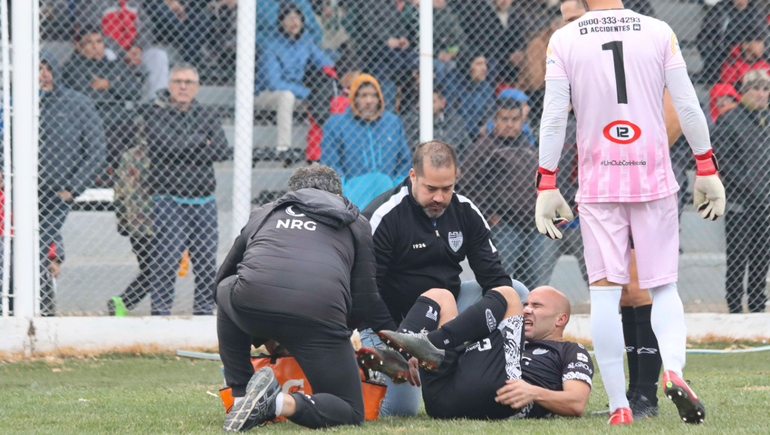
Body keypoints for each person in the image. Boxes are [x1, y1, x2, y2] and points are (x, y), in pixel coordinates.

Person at [536, 0, 725, 425]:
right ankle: (673, 369)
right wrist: (707, 165)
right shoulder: (658, 31)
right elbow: (689, 106)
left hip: (600, 184)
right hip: (653, 179)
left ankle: (621, 404)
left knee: (604, 294)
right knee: (663, 288)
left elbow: (552, 119)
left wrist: (546, 183)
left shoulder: (564, 39)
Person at [214, 165, 396, 431]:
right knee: (350, 409)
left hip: (253, 302)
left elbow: (223, 279)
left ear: (293, 193)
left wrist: (266, 332)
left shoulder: (265, 212)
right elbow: (365, 301)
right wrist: (329, 337)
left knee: (227, 288)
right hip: (321, 314)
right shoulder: (356, 221)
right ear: (337, 194)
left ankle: (241, 392)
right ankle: (277, 404)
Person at [359, 141, 528, 416]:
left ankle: (498, 375)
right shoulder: (385, 215)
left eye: (446, 188)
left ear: (456, 179)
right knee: (400, 411)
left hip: (449, 308)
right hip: (394, 322)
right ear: (413, 176)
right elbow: (368, 292)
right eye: (430, 189)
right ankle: (381, 362)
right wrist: (399, 344)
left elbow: (494, 277)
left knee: (515, 292)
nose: (439, 197)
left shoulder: (465, 211)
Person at [360, 285, 592, 420]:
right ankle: (401, 356)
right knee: (440, 295)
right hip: (443, 402)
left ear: (561, 319)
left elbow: (577, 402)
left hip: (504, 393)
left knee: (509, 294)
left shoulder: (570, 350)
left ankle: (427, 344)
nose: (526, 310)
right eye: (527, 305)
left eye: (536, 306)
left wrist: (533, 392)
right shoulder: (511, 338)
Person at [145, 63, 229, 315]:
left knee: (205, 263)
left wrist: (182, 146)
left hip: (203, 201)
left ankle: (204, 313)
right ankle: (160, 315)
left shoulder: (208, 114)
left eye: (189, 82)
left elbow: (221, 150)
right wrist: (199, 141)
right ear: (169, 85)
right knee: (166, 261)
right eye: (178, 81)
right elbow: (163, 146)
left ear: (197, 87)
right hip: (168, 200)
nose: (183, 86)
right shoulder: (154, 113)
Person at [459, 98, 557, 289]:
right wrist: (488, 215)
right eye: (504, 119)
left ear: (522, 121)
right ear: (494, 120)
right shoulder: (483, 148)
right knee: (501, 283)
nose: (510, 124)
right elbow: (466, 186)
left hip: (535, 225)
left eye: (514, 119)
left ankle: (528, 318)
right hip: (505, 226)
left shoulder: (527, 146)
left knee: (534, 285)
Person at [39, 51, 107, 316]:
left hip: (57, 194)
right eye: (37, 69)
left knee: (40, 250)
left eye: (47, 68)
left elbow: (96, 150)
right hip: (18, 194)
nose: (43, 75)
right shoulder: (16, 102)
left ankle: (42, 311)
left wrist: (72, 189)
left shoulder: (77, 103)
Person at [712, 69, 770, 314]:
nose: (761, 94)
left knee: (762, 256)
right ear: (744, 92)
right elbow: (722, 161)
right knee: (738, 256)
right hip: (740, 202)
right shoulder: (729, 119)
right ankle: (734, 307)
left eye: (765, 89)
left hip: (766, 204)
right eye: (755, 88)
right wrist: (752, 187)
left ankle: (757, 305)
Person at [62, 26, 144, 187]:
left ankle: (117, 178)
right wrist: (118, 86)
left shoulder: (114, 64)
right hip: (91, 120)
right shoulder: (72, 68)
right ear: (79, 47)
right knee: (111, 139)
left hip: (120, 120)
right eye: (89, 43)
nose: (95, 47)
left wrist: (108, 85)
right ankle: (109, 179)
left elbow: (136, 90)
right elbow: (87, 96)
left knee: (134, 132)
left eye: (99, 42)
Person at [320, 73, 411, 209]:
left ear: (380, 97)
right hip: (351, 206)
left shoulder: (393, 123)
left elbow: (405, 162)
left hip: (388, 204)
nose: (369, 100)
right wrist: (346, 194)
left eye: (373, 95)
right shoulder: (335, 124)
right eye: (363, 96)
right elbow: (330, 165)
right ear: (353, 98)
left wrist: (396, 191)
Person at [255, 2, 337, 151]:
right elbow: (274, 84)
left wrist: (340, 75)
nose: (294, 22)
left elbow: (326, 64)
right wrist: (308, 93)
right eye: (289, 18)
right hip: (265, 94)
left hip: (297, 93)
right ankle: (284, 148)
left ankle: (324, 148)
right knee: (287, 96)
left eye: (297, 18)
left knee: (325, 94)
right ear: (281, 22)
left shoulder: (305, 41)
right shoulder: (270, 45)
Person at [74, 0, 171, 99]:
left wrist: (137, 48)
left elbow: (147, 27)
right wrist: (123, 53)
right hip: (111, 50)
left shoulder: (134, 3)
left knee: (158, 55)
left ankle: (157, 100)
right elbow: (94, 32)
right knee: (107, 54)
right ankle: (114, 97)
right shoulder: (95, 2)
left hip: (135, 52)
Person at [107, 144, 153, 315]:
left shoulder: (129, 156)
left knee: (151, 269)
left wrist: (122, 222)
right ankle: (122, 302)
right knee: (155, 270)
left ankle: (122, 303)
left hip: (136, 223)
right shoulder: (167, 151)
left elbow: (118, 192)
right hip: (158, 222)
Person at [697, 0, 767, 84]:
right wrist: (712, 62)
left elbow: (765, 38)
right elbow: (703, 39)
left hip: (752, 60)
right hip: (722, 61)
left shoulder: (757, 11)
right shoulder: (720, 10)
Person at [403, 85, 469, 155]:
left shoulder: (456, 122)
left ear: (443, 103)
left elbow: (467, 148)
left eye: (432, 101)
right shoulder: (410, 122)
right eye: (424, 101)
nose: (428, 105)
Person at [719, 26, 770, 92]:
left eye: (762, 42)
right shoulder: (732, 65)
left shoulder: (765, 64)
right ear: (745, 45)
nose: (762, 46)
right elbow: (729, 92)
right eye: (758, 43)